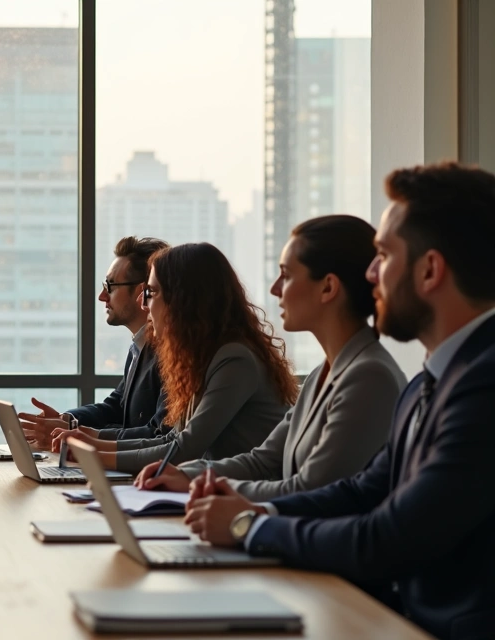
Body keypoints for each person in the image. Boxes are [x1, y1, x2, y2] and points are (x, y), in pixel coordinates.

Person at [184, 163, 495, 639]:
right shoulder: (429, 383)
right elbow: (361, 491)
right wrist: (257, 513)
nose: (371, 275)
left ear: (430, 270)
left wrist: (250, 527)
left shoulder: (484, 386)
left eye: (384, 256)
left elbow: (387, 537)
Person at [136, 215, 406, 500]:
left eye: (286, 275)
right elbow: (262, 460)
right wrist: (186, 476)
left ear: (328, 287)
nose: (275, 288)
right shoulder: (322, 374)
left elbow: (310, 490)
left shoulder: (368, 377)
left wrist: (210, 488)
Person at [54, 243, 296, 474]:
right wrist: (89, 443)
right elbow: (171, 439)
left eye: (150, 292)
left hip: (246, 499)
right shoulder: (199, 357)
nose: (144, 304)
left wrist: (93, 454)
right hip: (213, 491)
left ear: (182, 300)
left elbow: (184, 450)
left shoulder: (234, 359)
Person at [21, 236, 170, 449]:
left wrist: (77, 434)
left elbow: (158, 435)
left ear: (141, 292)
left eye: (110, 286)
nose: (102, 296)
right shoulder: (139, 346)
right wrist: (65, 421)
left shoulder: (171, 354)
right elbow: (116, 407)